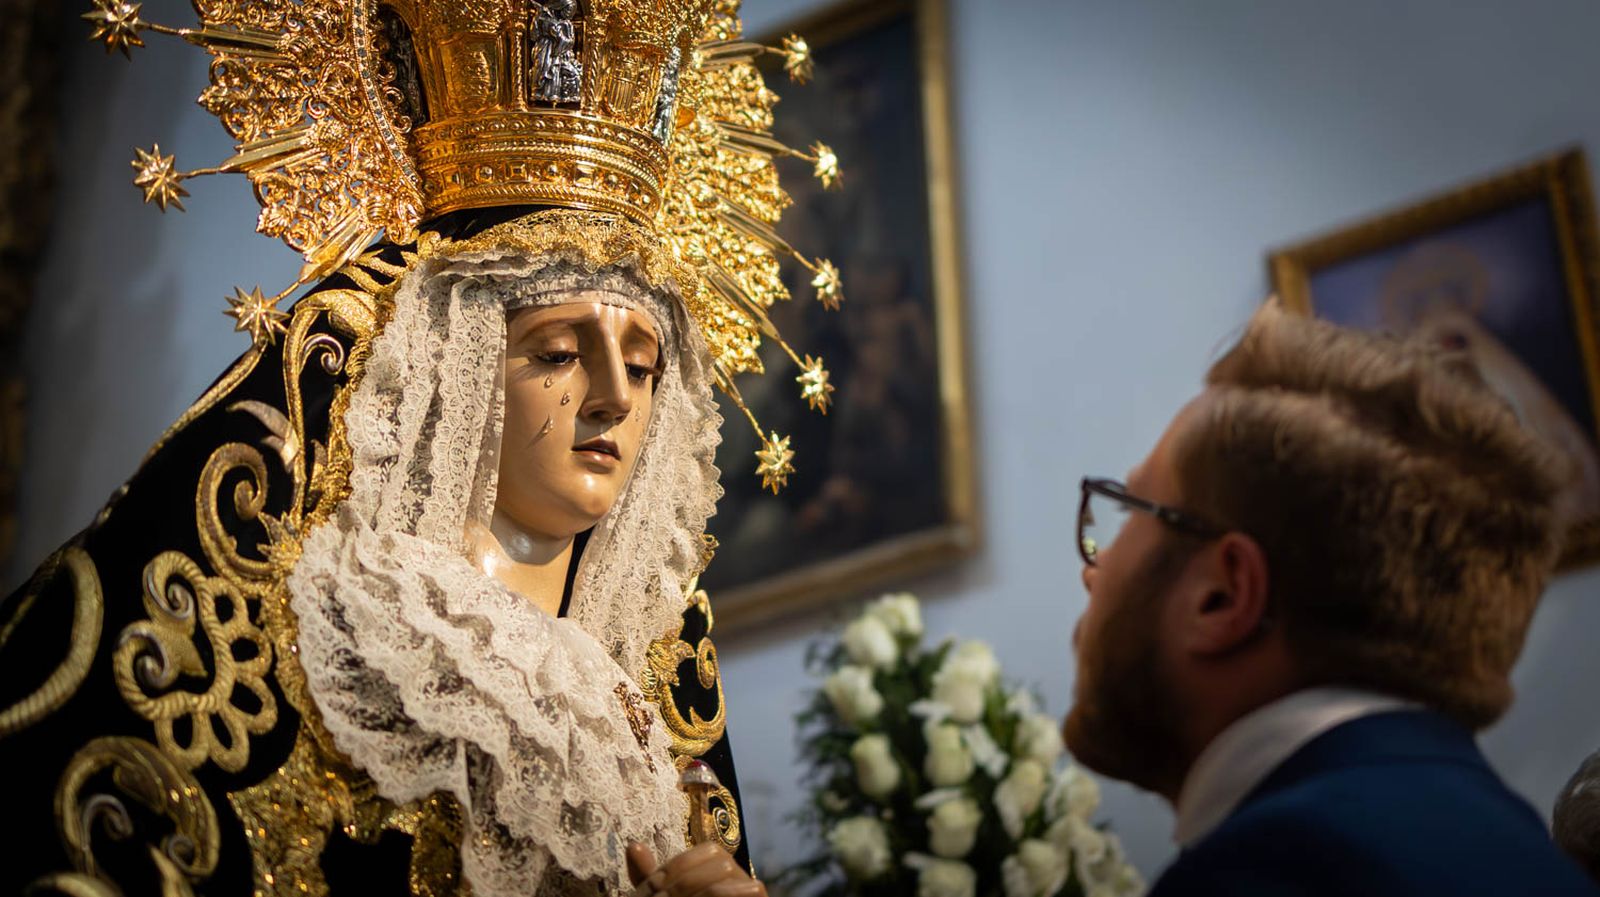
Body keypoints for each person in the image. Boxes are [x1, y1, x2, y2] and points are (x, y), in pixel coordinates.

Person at [2, 0, 839, 894]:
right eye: (556, 353)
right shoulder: (351, 636)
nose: (612, 398)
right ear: (456, 366)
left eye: (643, 365)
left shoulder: (646, 729)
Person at [1065, 301, 1598, 895]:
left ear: (1221, 596)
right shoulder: (1527, 854)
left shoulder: (1265, 876)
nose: (1096, 569)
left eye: (1127, 511)